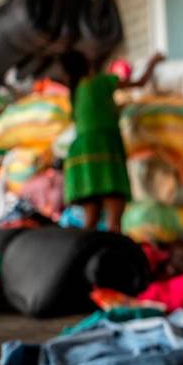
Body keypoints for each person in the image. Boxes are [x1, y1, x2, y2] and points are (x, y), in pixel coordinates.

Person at [61, 51, 163, 232]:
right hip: (104, 149)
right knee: (114, 222)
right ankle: (114, 258)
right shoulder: (101, 81)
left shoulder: (75, 91)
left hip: (80, 155)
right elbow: (140, 83)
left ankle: (87, 256)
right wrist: (153, 61)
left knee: (90, 222)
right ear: (87, 64)